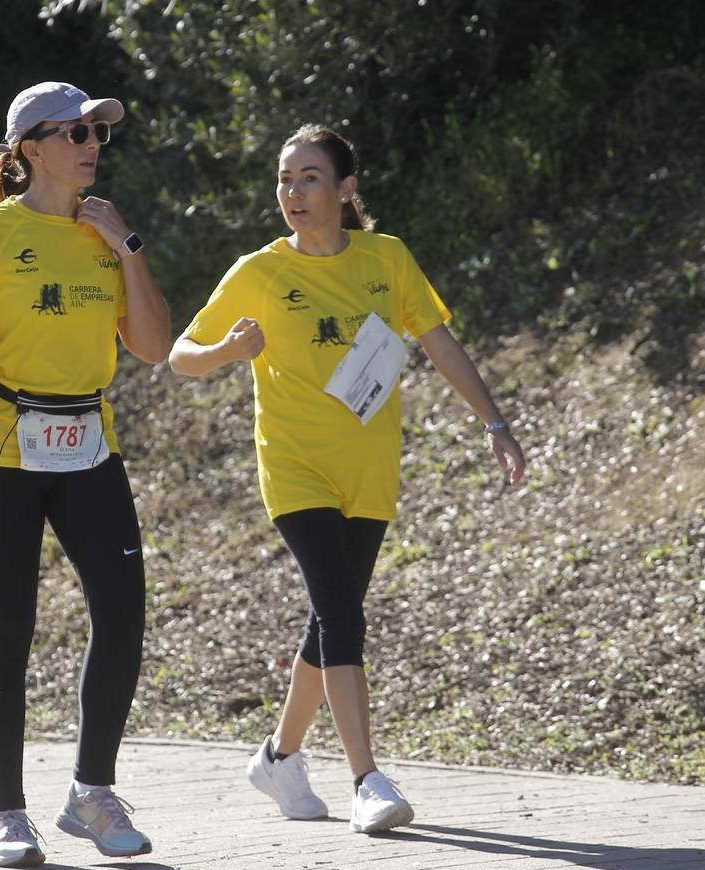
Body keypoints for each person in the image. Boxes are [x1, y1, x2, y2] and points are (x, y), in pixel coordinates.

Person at [168, 124, 526, 834]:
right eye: (284, 179)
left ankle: (278, 757)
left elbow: (438, 341)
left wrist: (494, 423)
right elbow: (181, 354)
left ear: (345, 189)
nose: (292, 193)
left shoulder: (385, 260)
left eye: (308, 178)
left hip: (368, 469)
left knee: (330, 617)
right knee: (340, 613)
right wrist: (228, 350)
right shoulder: (260, 271)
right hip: (295, 464)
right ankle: (367, 778)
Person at [0, 81, 171, 867]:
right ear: (30, 150)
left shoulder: (106, 234)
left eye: (97, 132)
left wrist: (128, 248)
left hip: (88, 447)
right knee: (6, 629)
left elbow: (153, 346)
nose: (90, 144)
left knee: (124, 612)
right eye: (72, 133)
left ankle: (91, 793)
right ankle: (8, 814)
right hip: (4, 453)